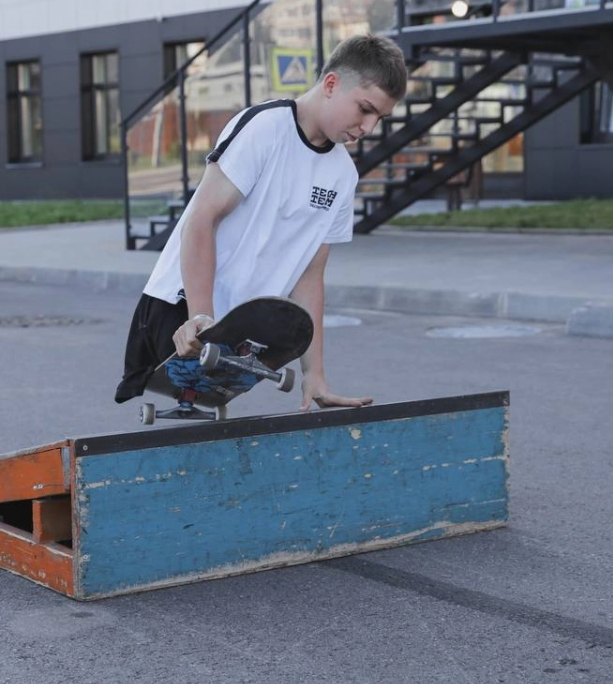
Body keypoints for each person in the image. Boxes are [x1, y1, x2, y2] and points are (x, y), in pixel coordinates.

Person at [114, 33, 408, 410]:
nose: (368, 127)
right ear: (332, 84)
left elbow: (310, 275)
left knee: (205, 437)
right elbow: (202, 220)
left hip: (236, 325)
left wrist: (314, 375)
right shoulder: (265, 128)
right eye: (365, 109)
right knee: (185, 430)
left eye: (379, 118)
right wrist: (200, 314)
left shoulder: (342, 175)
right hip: (182, 305)